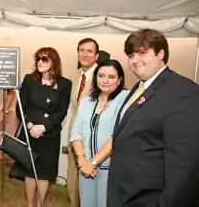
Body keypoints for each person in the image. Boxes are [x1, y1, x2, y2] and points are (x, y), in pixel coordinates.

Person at [107, 29, 199, 207]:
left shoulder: (182, 93)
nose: (134, 60)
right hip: (125, 195)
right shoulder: (139, 88)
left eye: (142, 53)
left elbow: (184, 166)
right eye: (131, 55)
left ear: (161, 54)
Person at [16, 47, 72, 207]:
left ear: (54, 62)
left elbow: (61, 111)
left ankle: (40, 205)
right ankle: (30, 204)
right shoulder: (29, 80)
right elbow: (21, 106)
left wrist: (44, 127)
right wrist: (29, 125)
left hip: (50, 135)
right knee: (30, 170)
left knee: (44, 172)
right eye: (38, 59)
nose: (40, 62)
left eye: (44, 59)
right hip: (30, 132)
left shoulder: (65, 84)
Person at [70, 60, 129, 207]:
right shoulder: (87, 101)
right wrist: (82, 160)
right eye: (101, 75)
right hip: (86, 169)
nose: (105, 80)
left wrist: (93, 162)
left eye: (111, 77)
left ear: (120, 80)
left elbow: (118, 135)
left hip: (111, 169)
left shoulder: (126, 100)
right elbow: (76, 131)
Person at [67, 38, 99, 207]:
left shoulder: (102, 76)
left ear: (96, 55)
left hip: (93, 135)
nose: (85, 54)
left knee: (90, 174)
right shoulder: (74, 76)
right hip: (75, 134)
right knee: (73, 172)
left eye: (89, 51)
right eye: (82, 50)